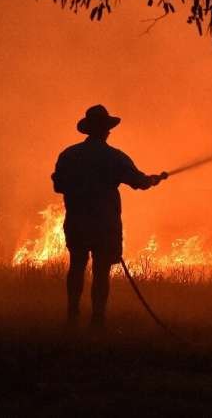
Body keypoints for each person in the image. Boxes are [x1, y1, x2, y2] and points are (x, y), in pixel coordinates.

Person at [52, 104, 167, 328]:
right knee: (101, 272)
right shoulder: (114, 157)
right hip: (104, 225)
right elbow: (139, 182)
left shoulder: (69, 155)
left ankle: (72, 316)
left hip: (77, 221)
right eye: (107, 127)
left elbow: (58, 186)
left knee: (76, 266)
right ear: (105, 130)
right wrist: (154, 179)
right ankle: (97, 320)